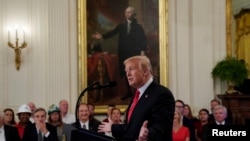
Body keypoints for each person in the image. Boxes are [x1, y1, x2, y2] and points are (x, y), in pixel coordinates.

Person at [98, 55, 175, 141]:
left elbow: (162, 127)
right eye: (126, 71)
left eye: (131, 69)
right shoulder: (138, 94)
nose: (128, 74)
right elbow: (132, 127)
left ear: (145, 71)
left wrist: (148, 135)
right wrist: (113, 128)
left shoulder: (161, 94)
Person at [92, 6, 147, 98]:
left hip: (134, 54)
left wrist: (142, 51)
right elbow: (112, 32)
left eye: (129, 12)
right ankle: (129, 91)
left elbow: (143, 40)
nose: (127, 14)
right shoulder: (121, 26)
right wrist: (102, 36)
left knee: (135, 72)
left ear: (133, 14)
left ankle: (138, 92)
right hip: (124, 54)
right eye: (126, 12)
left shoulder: (138, 27)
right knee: (126, 73)